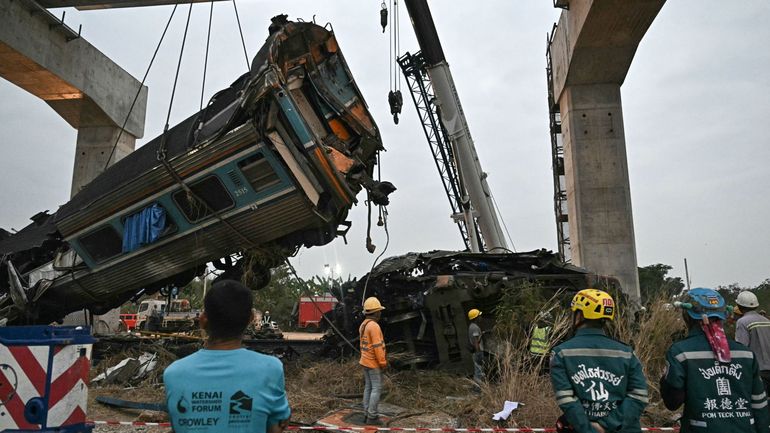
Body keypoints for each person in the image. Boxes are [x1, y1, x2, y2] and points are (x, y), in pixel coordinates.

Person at [164, 280, 291, 433]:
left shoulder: (174, 373)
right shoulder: (271, 368)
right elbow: (276, 427)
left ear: (203, 320)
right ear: (250, 319)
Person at [661, 288, 769, 433]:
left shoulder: (681, 353)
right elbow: (759, 405)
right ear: (724, 314)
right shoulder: (746, 354)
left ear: (687, 315)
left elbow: (673, 402)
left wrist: (665, 381)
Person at [550, 289, 648, 433]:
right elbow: (639, 396)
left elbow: (566, 399)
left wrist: (590, 428)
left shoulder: (561, 353)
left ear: (580, 316)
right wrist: (608, 424)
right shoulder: (626, 352)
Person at [734, 290, 770, 393]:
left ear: (739, 306)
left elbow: (741, 347)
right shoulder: (766, 321)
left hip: (757, 370)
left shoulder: (742, 322)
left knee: (760, 402)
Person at [359, 297, 387, 425]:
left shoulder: (363, 325)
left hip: (364, 361)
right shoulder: (374, 326)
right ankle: (372, 417)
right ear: (375, 312)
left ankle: (366, 413)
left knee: (368, 387)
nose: (380, 313)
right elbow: (377, 347)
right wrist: (382, 363)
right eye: (379, 311)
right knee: (376, 388)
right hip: (373, 362)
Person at [467, 308, 485, 391]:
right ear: (476, 317)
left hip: (476, 351)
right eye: (479, 316)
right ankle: (477, 390)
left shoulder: (473, 326)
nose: (481, 317)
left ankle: (478, 388)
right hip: (477, 351)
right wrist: (478, 353)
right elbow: (475, 342)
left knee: (478, 370)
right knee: (478, 371)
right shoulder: (474, 328)